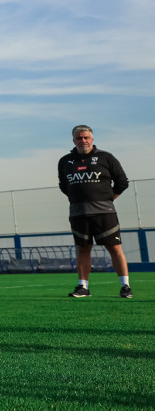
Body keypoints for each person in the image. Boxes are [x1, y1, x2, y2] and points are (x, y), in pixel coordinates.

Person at [59, 125, 132, 298]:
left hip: (104, 212)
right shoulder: (65, 161)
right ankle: (83, 287)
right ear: (74, 140)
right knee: (83, 249)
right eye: (79, 138)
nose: (83, 141)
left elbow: (122, 182)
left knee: (114, 248)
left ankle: (125, 286)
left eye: (86, 137)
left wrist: (108, 199)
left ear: (92, 139)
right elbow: (64, 186)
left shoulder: (106, 158)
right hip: (78, 213)